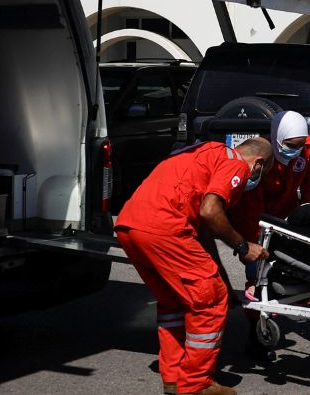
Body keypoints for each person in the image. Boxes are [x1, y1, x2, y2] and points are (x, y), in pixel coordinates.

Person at [115, 137, 273, 395]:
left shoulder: (204, 153)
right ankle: (196, 384)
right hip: (165, 228)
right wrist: (243, 246)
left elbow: (204, 233)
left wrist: (221, 276)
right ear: (258, 164)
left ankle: (174, 379)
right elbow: (210, 212)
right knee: (210, 302)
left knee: (174, 301)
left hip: (131, 226)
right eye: (262, 174)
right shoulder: (235, 164)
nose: (254, 181)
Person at [228, 111, 310, 359]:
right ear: (276, 138)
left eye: (299, 145)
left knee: (296, 273)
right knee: (258, 280)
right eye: (291, 146)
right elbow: (251, 208)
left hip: (288, 217)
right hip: (259, 220)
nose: (296, 150)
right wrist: (251, 245)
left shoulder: (306, 148)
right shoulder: (262, 159)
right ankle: (256, 336)